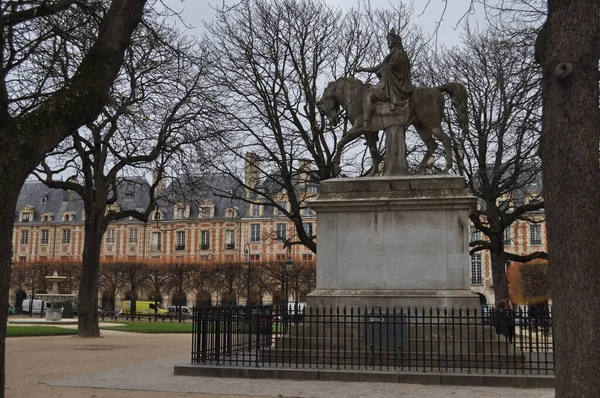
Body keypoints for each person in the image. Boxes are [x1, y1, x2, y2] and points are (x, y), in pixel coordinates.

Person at [356, 28, 415, 130]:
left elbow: (389, 67)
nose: (388, 42)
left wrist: (381, 71)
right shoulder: (396, 53)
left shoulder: (398, 53)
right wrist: (364, 69)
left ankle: (367, 123)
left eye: (389, 40)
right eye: (387, 40)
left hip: (395, 85)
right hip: (393, 83)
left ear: (395, 41)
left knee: (369, 96)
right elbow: (380, 66)